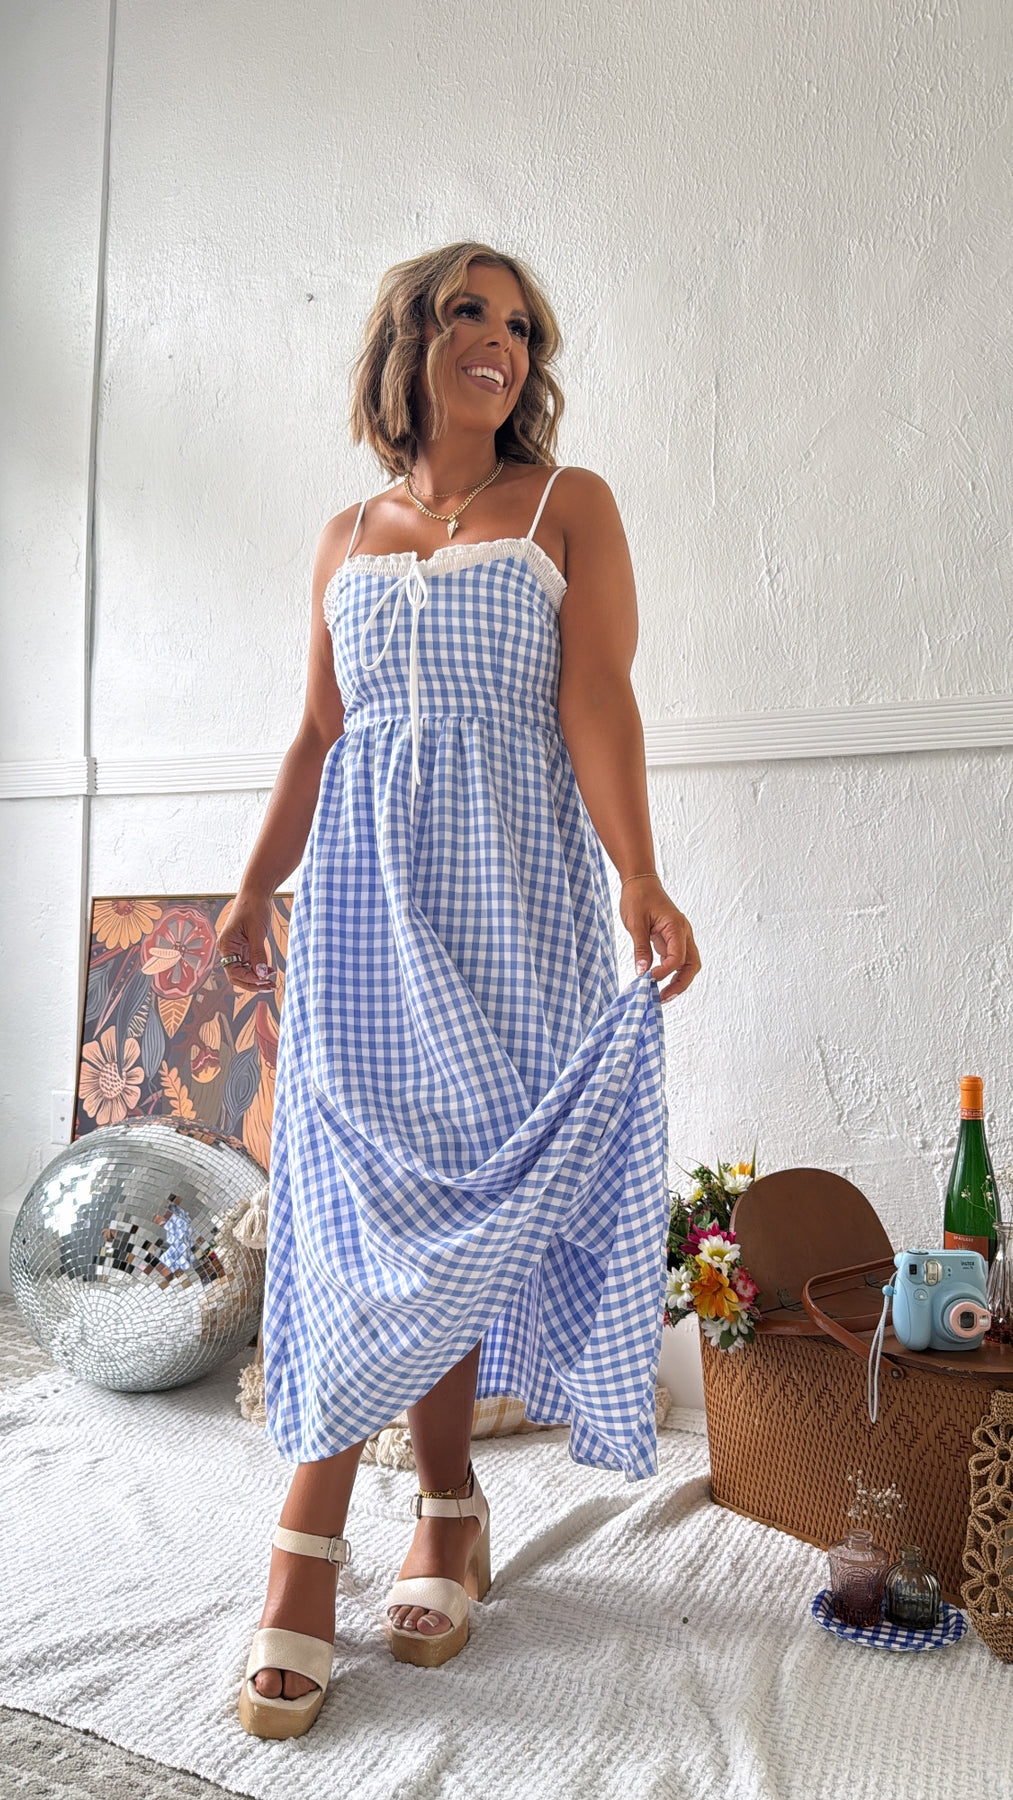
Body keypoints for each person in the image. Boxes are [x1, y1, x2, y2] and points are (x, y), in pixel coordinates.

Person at [218, 241, 701, 1739]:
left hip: (511, 910)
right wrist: (253, 881)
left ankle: (382, 1524)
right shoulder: (344, 534)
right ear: (407, 342)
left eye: (521, 325)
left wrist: (638, 873)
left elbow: (596, 696)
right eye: (467, 313)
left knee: (465, 1212)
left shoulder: (566, 506)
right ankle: (396, 1515)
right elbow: (317, 735)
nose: (499, 340)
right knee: (350, 1211)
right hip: (362, 921)